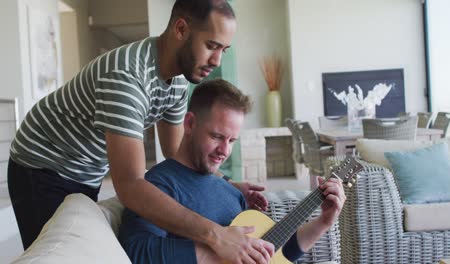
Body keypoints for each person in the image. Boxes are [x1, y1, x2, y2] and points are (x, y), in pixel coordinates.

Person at [7, 0, 272, 261]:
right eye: (211, 45)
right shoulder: (126, 77)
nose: (216, 60)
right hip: (42, 162)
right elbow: (130, 186)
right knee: (59, 252)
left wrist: (227, 186)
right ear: (181, 29)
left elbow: (175, 152)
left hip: (88, 167)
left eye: (223, 49)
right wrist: (216, 235)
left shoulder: (178, 84)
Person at [118, 79, 346, 263]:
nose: (224, 151)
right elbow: (135, 252)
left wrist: (324, 221)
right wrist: (218, 248)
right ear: (189, 124)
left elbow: (277, 255)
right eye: (217, 136)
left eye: (232, 140)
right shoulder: (159, 186)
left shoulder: (232, 192)